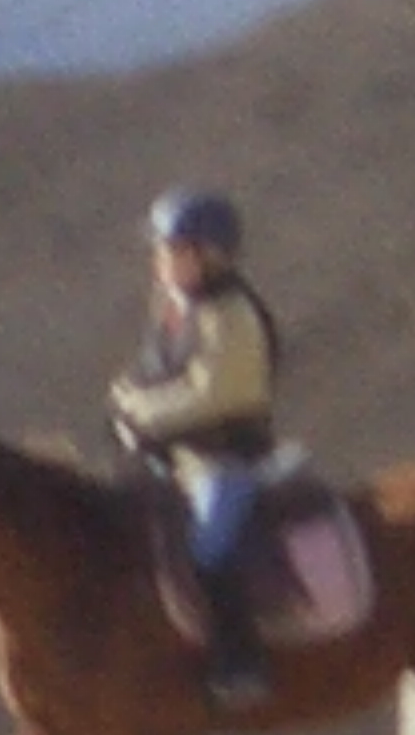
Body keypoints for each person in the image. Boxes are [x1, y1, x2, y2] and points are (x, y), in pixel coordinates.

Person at [108, 186, 282, 710]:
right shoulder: (173, 308)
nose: (161, 262)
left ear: (211, 256)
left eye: (173, 251)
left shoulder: (234, 316)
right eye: (162, 250)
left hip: (224, 462)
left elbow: (212, 394)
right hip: (171, 461)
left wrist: (142, 416)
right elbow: (148, 373)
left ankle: (241, 663)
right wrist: (125, 400)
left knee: (210, 548)